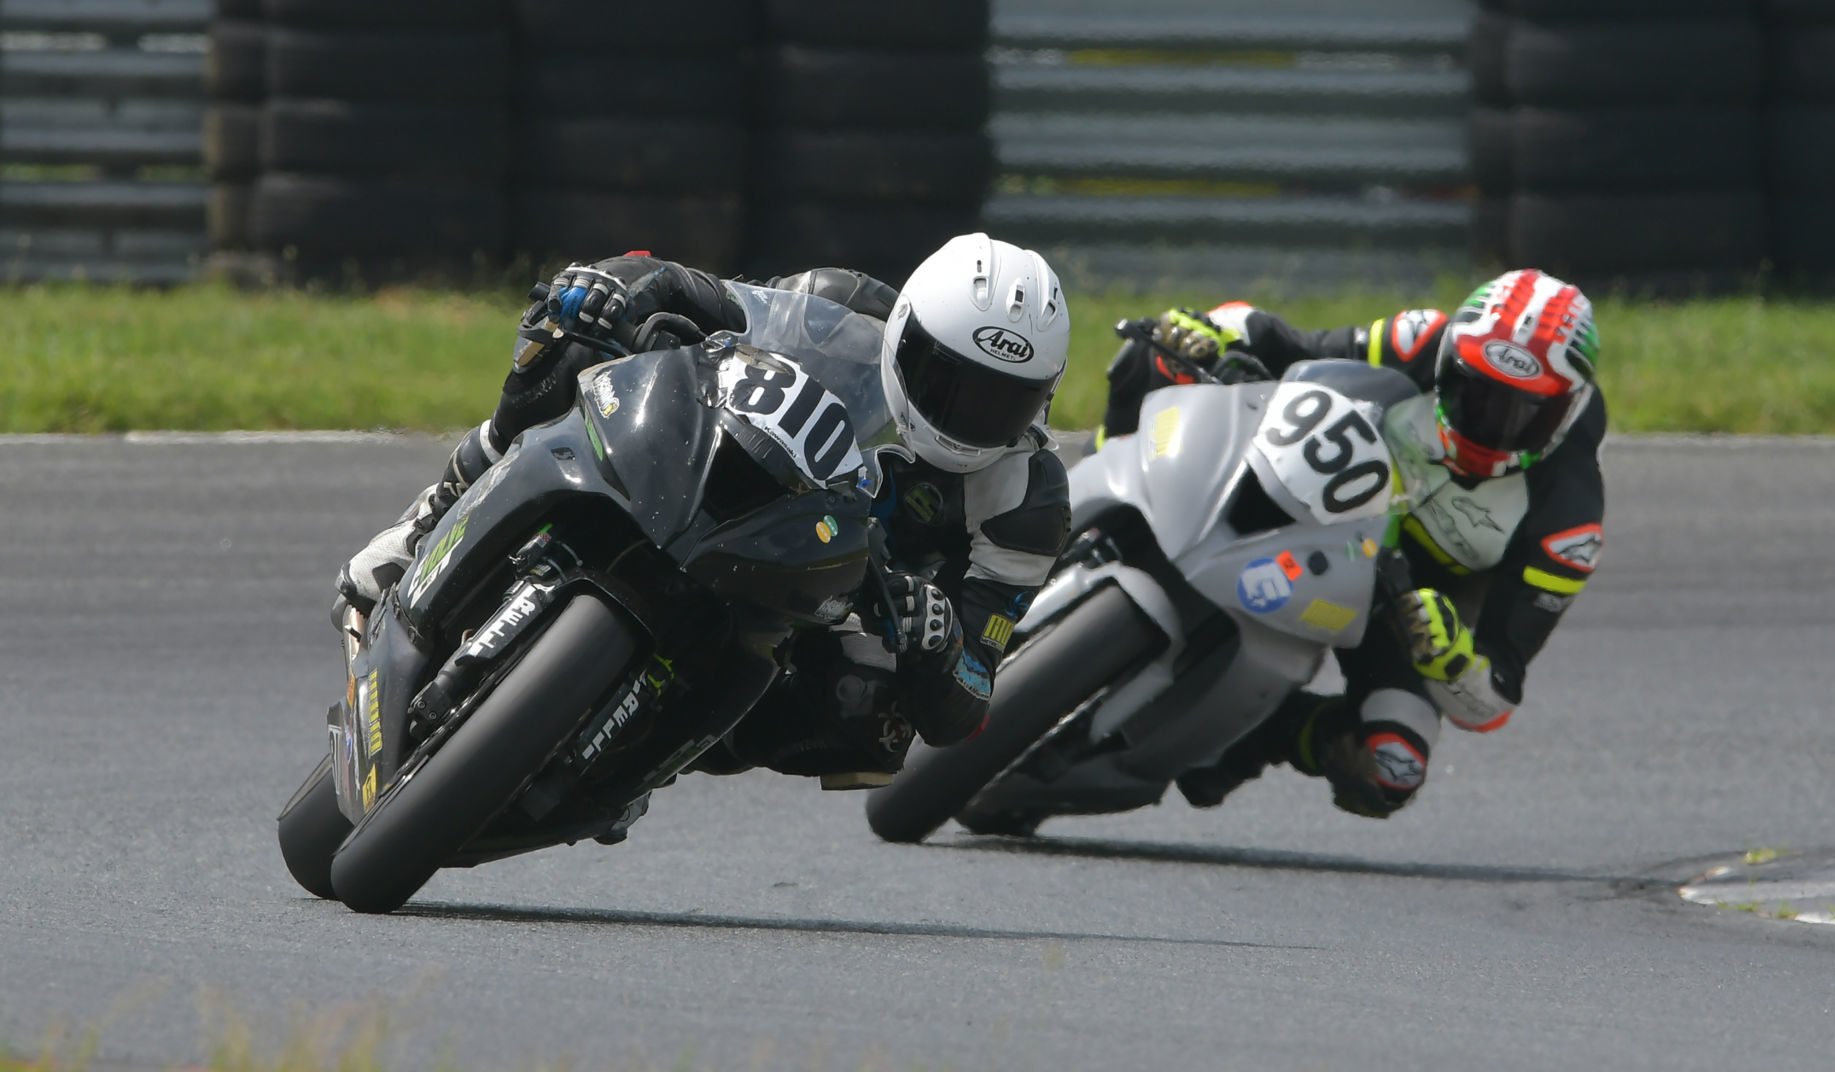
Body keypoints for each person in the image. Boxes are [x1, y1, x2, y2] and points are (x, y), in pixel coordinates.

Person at [333, 235, 1073, 789]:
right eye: (949, 382)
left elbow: (968, 705)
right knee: (574, 331)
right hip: (711, 478)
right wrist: (613, 292)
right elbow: (697, 295)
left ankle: (635, 758)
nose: (968, 417)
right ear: (907, 333)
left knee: (871, 722)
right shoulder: (838, 307)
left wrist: (940, 643)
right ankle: (429, 522)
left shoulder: (1031, 502)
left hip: (821, 611)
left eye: (1001, 401)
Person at [1099, 270, 1605, 818]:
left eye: (1523, 414)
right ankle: (1090, 515)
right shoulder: (1420, 340)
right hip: (1315, 505)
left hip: (1398, 610)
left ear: (1567, 409)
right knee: (1152, 355)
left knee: (1392, 768)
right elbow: (1292, 346)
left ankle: (1262, 731)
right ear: (1448, 360)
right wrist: (1214, 332)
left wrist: (1452, 655)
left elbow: (1495, 697)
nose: (1490, 425)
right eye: (1472, 392)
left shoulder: (1568, 523)